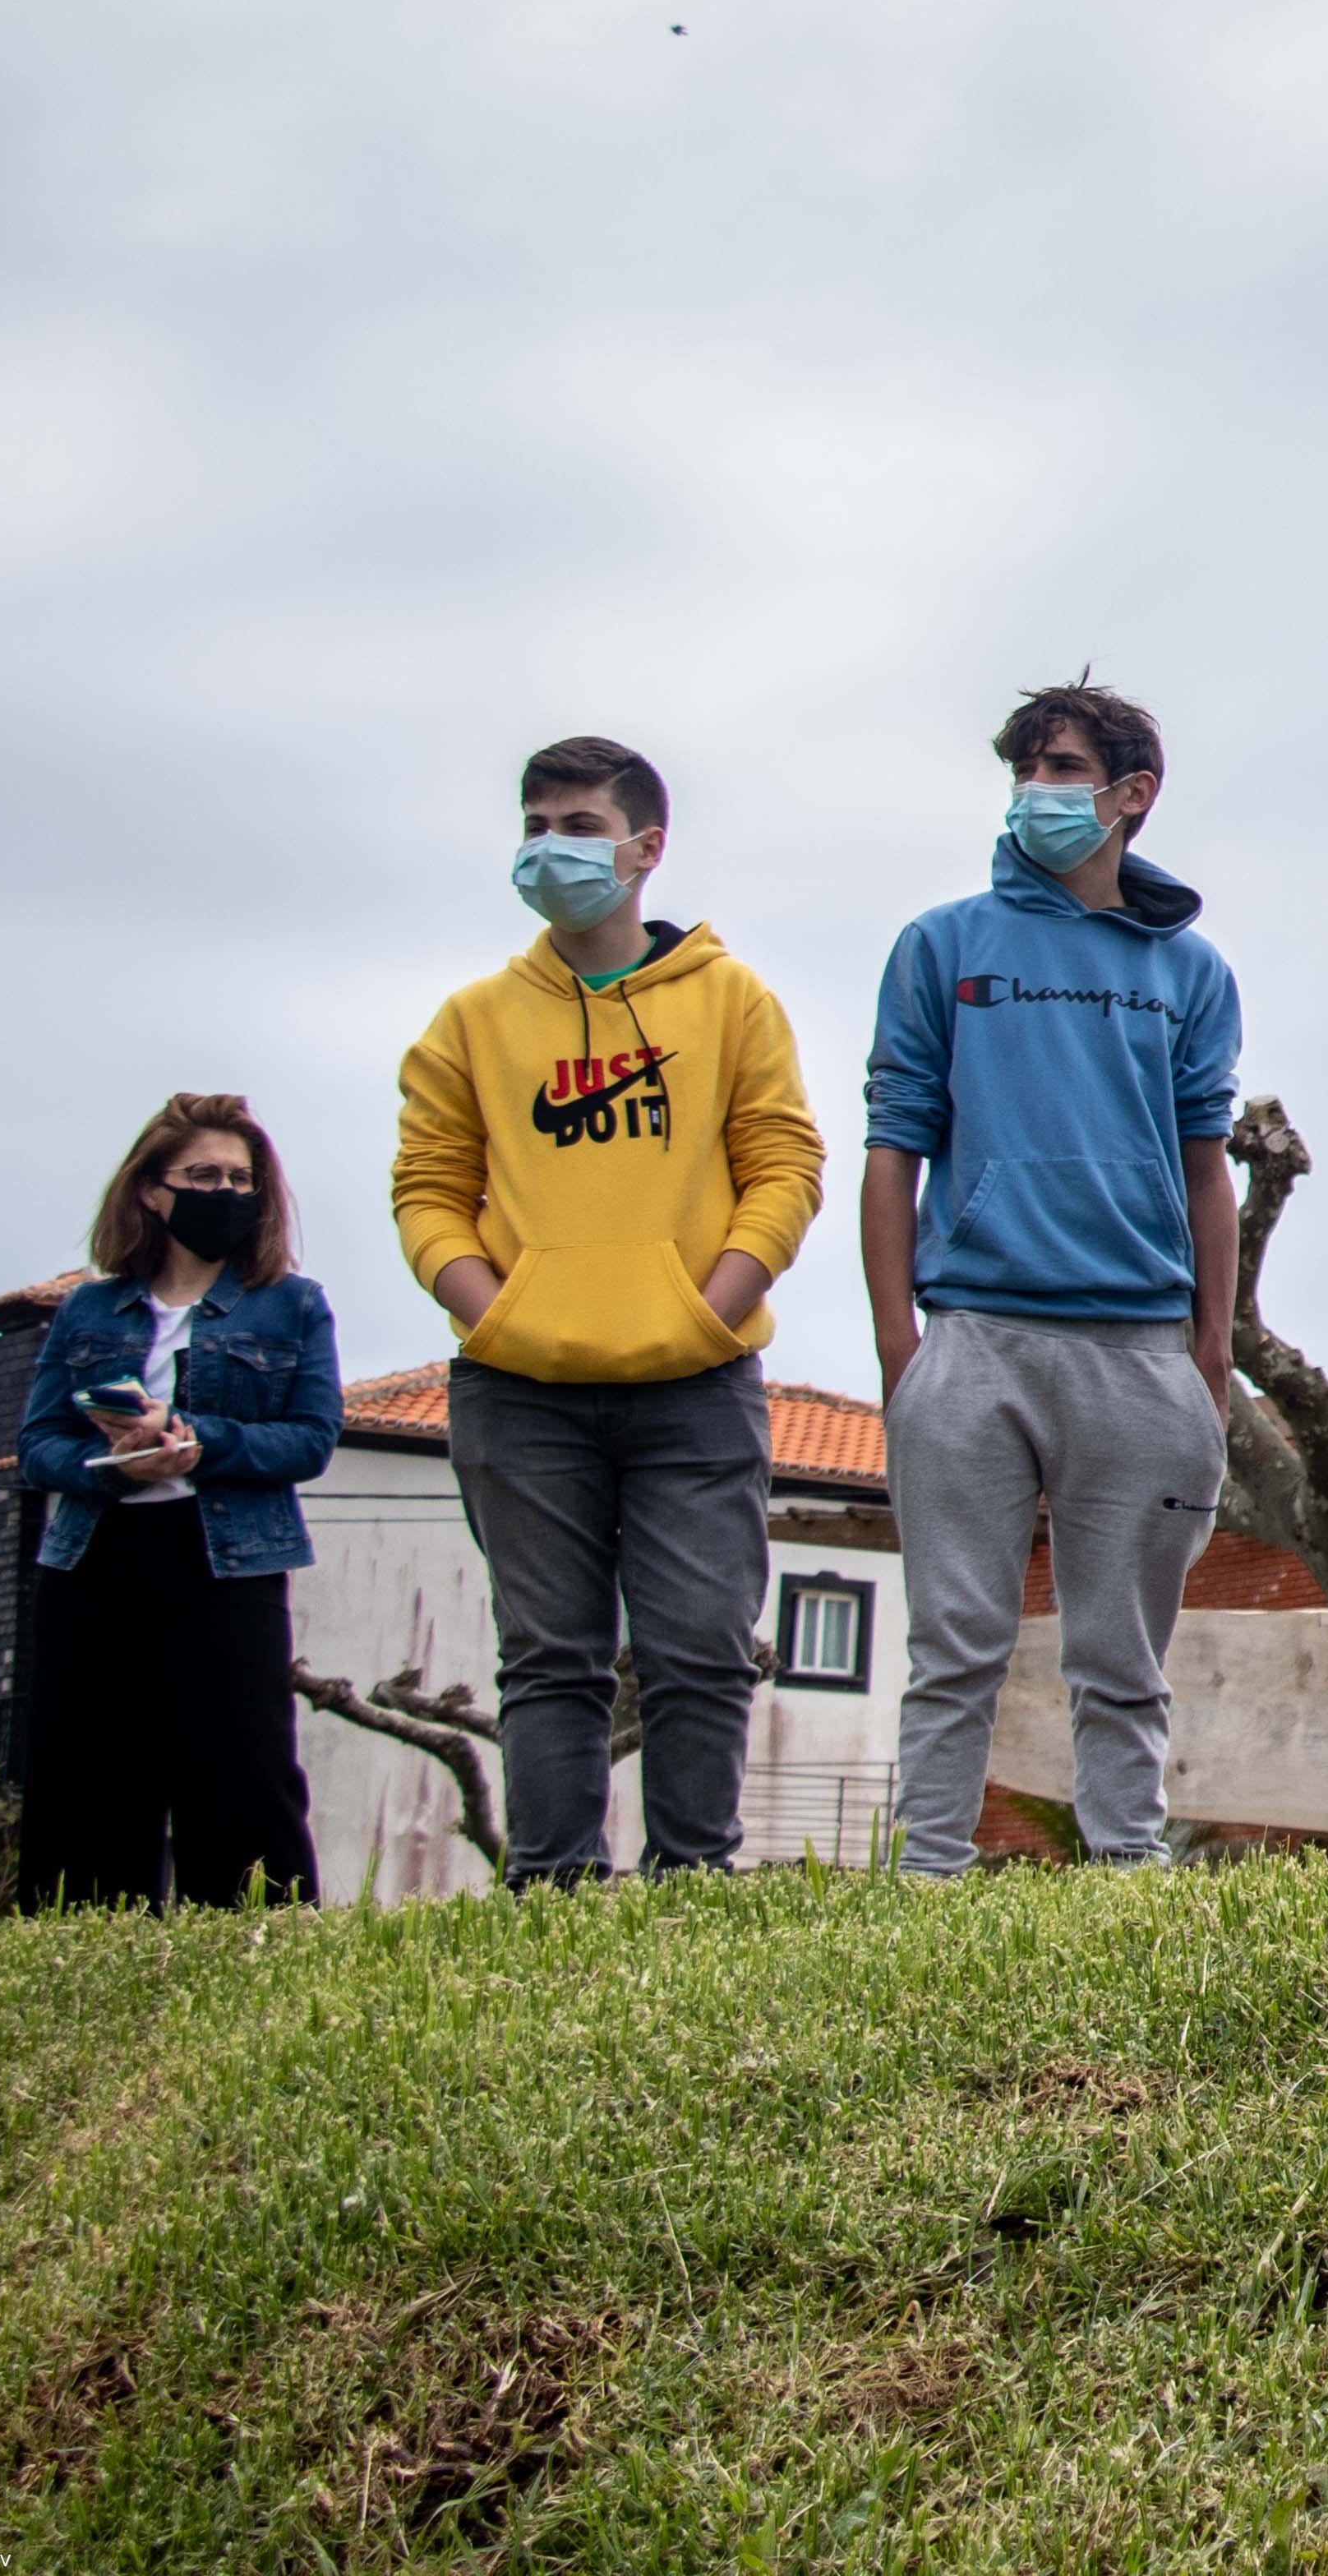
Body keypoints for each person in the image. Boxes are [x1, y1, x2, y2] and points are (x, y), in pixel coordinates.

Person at [390, 736, 825, 1883]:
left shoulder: (732, 1000)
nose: (551, 848)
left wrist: (710, 1311)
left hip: (696, 1385)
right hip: (518, 1391)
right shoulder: (471, 1020)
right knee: (548, 1658)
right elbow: (428, 1189)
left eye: (579, 826)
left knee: (702, 1650)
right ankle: (551, 1893)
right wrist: (494, 1316)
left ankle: (695, 1888)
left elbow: (784, 1167)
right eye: (535, 825)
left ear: (646, 848)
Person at [862, 681, 1245, 1873]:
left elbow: (1209, 1169)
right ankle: (927, 1873)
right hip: (971, 1336)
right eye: (1026, 769)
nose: (1039, 790)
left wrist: (1211, 1349)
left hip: (1141, 1349)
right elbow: (892, 1149)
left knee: (1123, 1655)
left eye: (1065, 768)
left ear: (1133, 794)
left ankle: (1128, 1871)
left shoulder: (1192, 970)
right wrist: (901, 1350)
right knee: (953, 1644)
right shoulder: (941, 946)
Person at [14, 1095, 340, 1907]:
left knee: (243, 1772)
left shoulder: (294, 1303)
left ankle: (254, 1942)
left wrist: (200, 1440)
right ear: (151, 1191)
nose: (225, 1192)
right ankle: (83, 1946)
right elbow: (39, 1444)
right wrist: (111, 1466)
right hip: (96, 1557)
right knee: (86, 1775)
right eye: (204, 1176)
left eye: (240, 1178)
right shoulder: (89, 1308)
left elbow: (310, 1439)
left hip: (227, 1560)